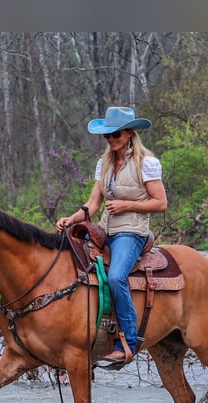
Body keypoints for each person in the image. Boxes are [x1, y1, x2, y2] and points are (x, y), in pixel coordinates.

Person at [56, 106, 167, 363]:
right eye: (107, 136)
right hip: (105, 230)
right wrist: (71, 219)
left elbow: (160, 203)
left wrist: (127, 205)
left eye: (116, 134)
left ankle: (128, 340)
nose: (111, 139)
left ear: (130, 134)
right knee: (68, 257)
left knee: (116, 276)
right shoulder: (104, 163)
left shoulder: (146, 163)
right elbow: (93, 205)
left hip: (132, 232)